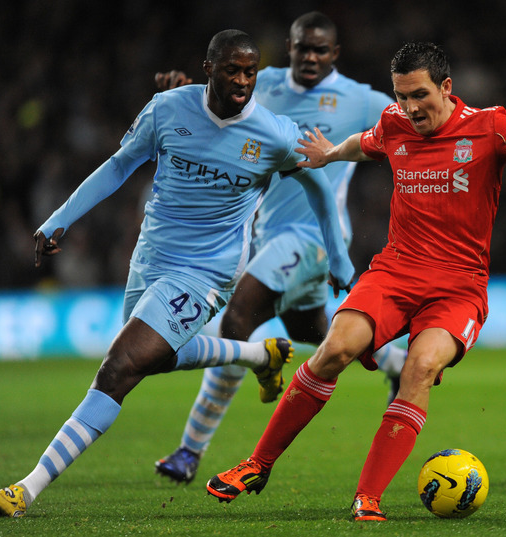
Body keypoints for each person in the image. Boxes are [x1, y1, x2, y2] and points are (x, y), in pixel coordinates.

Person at [204, 41, 506, 522]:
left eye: (419, 96)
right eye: (401, 96)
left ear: (447, 87)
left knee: (420, 367)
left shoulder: (492, 126)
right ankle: (256, 464)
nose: (410, 108)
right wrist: (328, 155)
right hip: (395, 271)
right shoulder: (395, 124)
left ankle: (368, 497)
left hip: (458, 287)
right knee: (334, 350)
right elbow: (365, 144)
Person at [0, 29, 354, 519]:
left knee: (119, 368)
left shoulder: (275, 134)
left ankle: (26, 488)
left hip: (207, 273)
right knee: (150, 359)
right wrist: (60, 218)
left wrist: (341, 260)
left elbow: (321, 189)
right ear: (209, 68)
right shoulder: (167, 110)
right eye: (232, 70)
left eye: (250, 71)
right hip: (151, 259)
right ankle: (256, 356)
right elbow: (119, 166)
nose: (242, 80)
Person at [152, 11, 406, 485]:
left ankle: (190, 449)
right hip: (265, 235)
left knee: (239, 319)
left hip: (313, 239)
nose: (310, 56)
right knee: (316, 332)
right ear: (288, 48)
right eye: (301, 48)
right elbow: (213, 109)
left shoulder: (362, 100)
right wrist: (184, 90)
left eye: (320, 50)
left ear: (335, 55)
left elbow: (421, 112)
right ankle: (393, 357)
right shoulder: (260, 82)